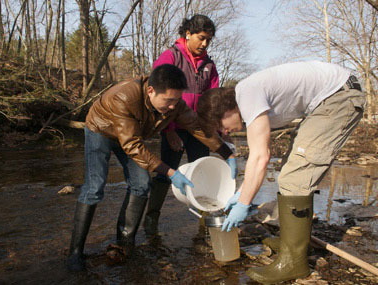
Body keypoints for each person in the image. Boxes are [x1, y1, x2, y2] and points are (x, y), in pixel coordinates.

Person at [196, 61, 365, 284]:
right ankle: (290, 243)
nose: (226, 132)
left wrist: (244, 202)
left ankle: (293, 262)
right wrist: (242, 193)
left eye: (222, 126)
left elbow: (260, 157)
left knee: (295, 177)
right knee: (288, 169)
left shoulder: (247, 95)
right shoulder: (248, 95)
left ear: (226, 110)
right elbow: (258, 156)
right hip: (328, 99)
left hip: (338, 97)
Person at [66, 64, 236, 272]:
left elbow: (196, 128)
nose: (173, 106)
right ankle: (75, 253)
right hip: (101, 130)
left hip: (131, 136)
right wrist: (171, 172)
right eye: (169, 101)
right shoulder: (125, 97)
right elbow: (132, 146)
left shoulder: (175, 105)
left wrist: (227, 153)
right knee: (95, 187)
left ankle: (125, 243)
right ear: (151, 91)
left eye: (176, 100)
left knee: (141, 184)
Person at [144, 15, 231, 237]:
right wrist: (169, 131)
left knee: (202, 173)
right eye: (201, 38)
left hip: (199, 129)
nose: (204, 44)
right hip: (173, 125)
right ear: (188, 34)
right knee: (165, 173)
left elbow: (213, 100)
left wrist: (218, 132)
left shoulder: (209, 65)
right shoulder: (170, 56)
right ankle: (151, 220)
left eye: (208, 40)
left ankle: (206, 225)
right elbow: (160, 97)